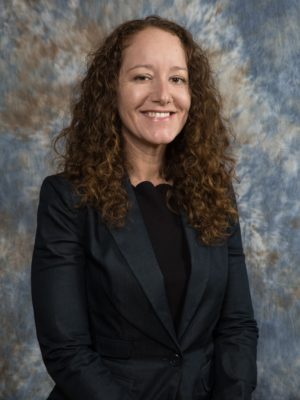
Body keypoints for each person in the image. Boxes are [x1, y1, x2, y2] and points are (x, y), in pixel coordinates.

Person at [31, 15, 258, 400]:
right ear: (111, 90)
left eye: (177, 78)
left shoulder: (214, 192)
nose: (163, 95)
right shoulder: (67, 198)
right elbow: (67, 350)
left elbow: (236, 327)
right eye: (141, 77)